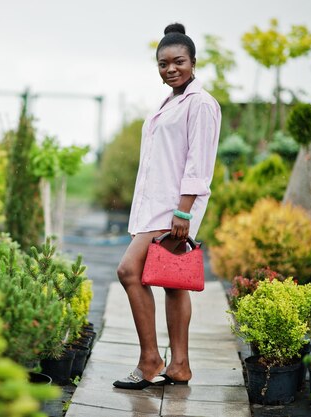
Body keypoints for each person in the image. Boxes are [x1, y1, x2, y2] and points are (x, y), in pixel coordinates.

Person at [113, 22, 221, 389]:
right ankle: (179, 366)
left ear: (193, 62)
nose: (170, 68)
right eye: (163, 63)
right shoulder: (170, 101)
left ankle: (149, 361)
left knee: (129, 271)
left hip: (175, 208)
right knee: (174, 284)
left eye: (178, 61)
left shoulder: (202, 104)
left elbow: (198, 161)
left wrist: (184, 211)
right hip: (158, 206)